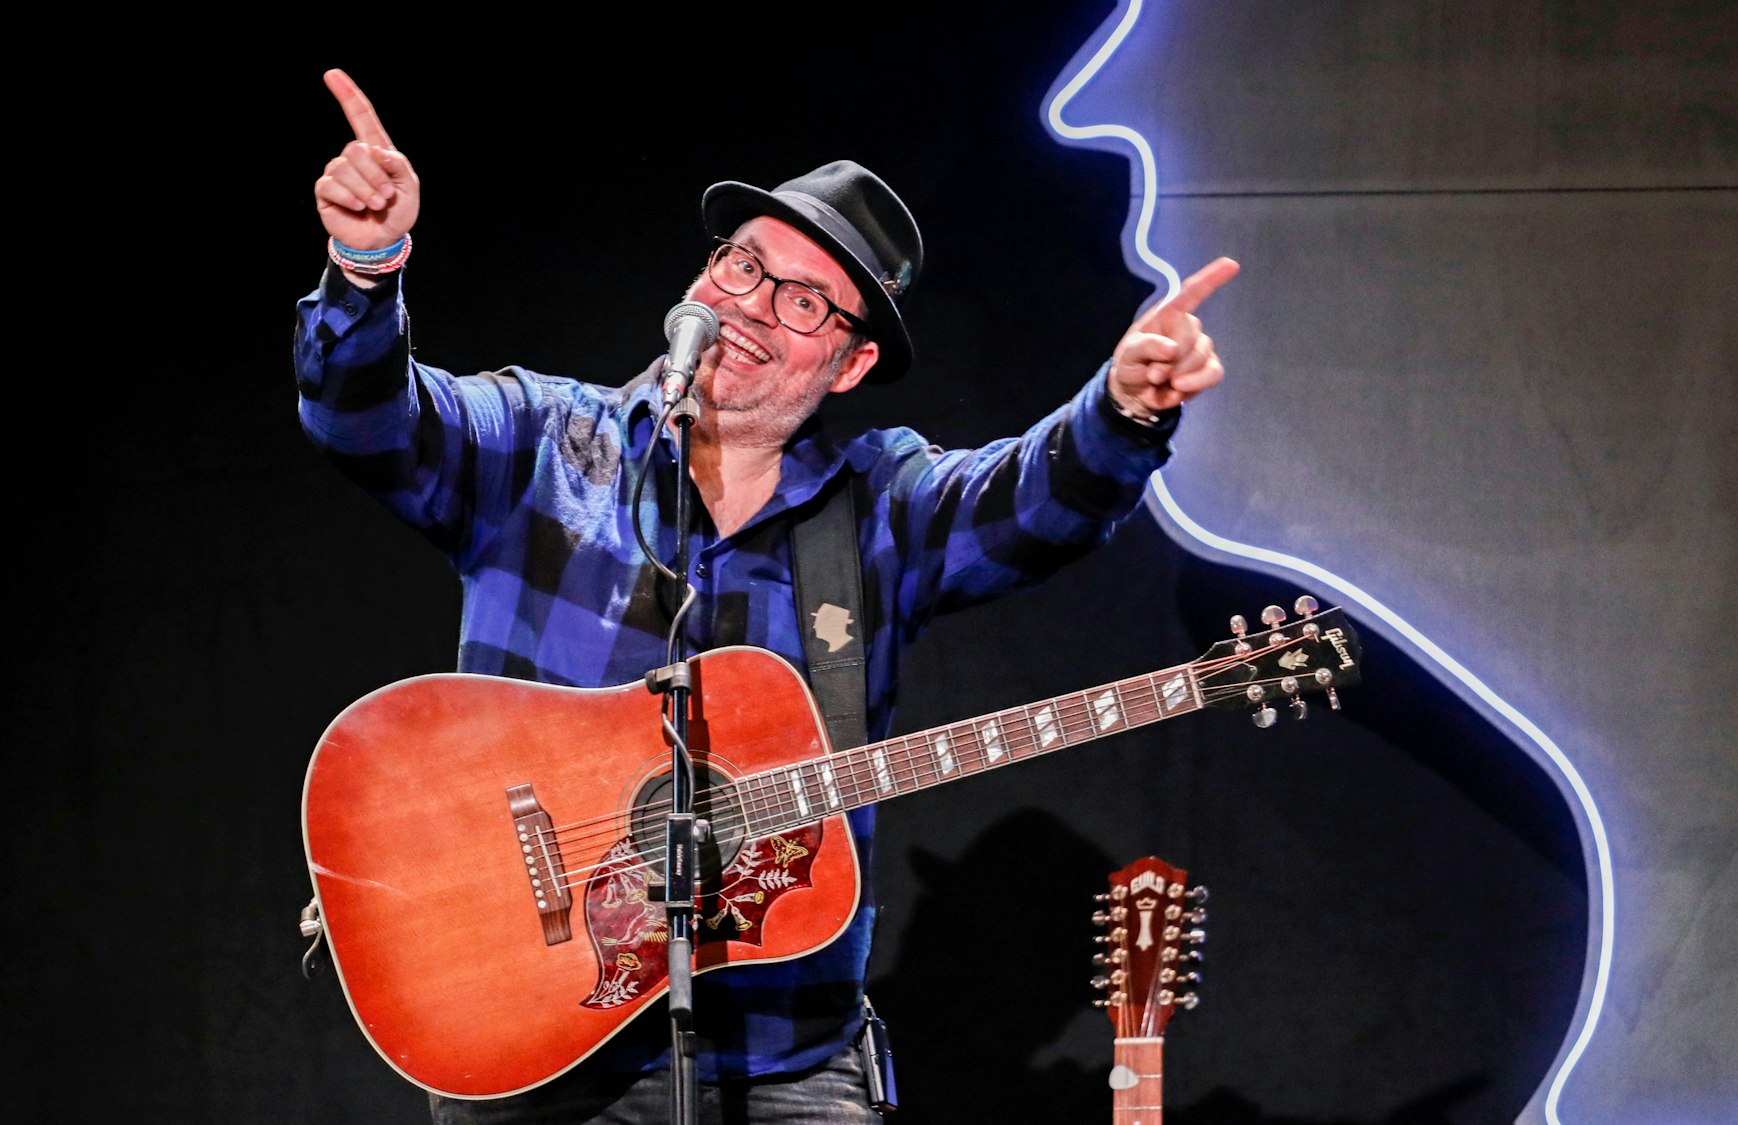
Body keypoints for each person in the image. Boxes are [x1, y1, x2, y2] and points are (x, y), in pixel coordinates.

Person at [295, 68, 1234, 1124]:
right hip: (526, 1038)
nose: (748, 305)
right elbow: (365, 425)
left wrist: (1121, 411)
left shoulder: (879, 506)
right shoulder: (543, 444)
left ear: (850, 362)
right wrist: (366, 268)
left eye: (801, 300)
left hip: (785, 1060)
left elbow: (1027, 505)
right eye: (741, 263)